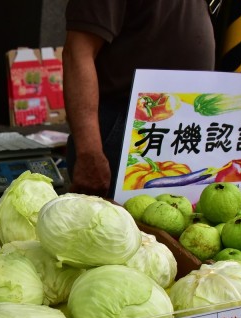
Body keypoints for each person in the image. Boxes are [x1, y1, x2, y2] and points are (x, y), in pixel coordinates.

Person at [63, 1, 216, 197]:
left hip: (179, 130)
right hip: (124, 127)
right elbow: (78, 52)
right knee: (110, 224)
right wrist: (89, 152)